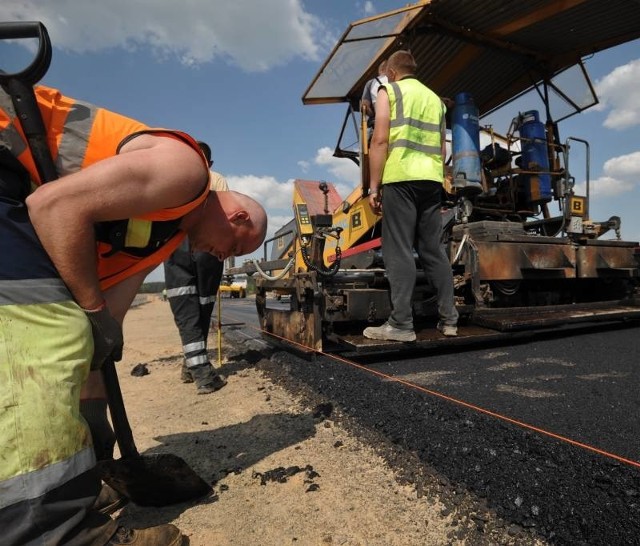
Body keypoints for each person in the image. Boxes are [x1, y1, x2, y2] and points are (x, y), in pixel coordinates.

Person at [0, 84, 267, 545]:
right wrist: (89, 314)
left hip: (14, 197)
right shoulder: (186, 174)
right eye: (235, 248)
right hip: (7, 146)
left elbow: (108, 320)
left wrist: (100, 362)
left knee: (78, 344)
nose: (223, 258)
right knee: (53, 331)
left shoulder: (162, 235)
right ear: (238, 216)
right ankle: (54, 532)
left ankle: (81, 478)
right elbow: (51, 206)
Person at [362, 50, 458, 342]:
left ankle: (401, 324)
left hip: (400, 178)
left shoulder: (387, 91)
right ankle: (450, 320)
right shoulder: (435, 100)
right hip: (431, 180)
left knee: (398, 249)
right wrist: (437, 176)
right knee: (433, 250)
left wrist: (374, 187)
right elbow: (442, 148)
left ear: (391, 72)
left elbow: (379, 139)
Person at [164, 141, 228, 394]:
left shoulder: (171, 178)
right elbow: (222, 218)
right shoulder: (216, 179)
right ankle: (202, 375)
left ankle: (190, 365)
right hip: (206, 247)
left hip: (173, 245)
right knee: (201, 308)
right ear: (209, 163)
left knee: (185, 310)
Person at [360, 60, 388, 138]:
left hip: (379, 123)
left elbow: (365, 106)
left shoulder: (371, 83)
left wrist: (373, 114)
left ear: (380, 70)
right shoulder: (396, 81)